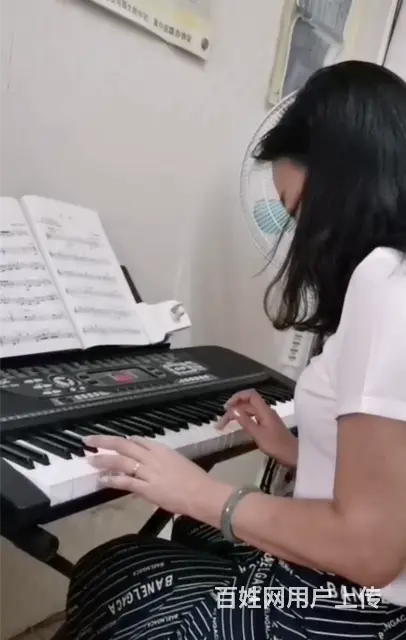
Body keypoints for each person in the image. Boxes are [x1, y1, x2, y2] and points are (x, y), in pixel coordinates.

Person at [64, 60, 406, 640]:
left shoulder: (386, 280)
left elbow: (371, 551)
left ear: (340, 186)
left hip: (361, 607)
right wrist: (293, 450)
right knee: (165, 544)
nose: (298, 237)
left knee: (121, 576)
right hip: (368, 580)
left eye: (296, 212)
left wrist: (199, 491)